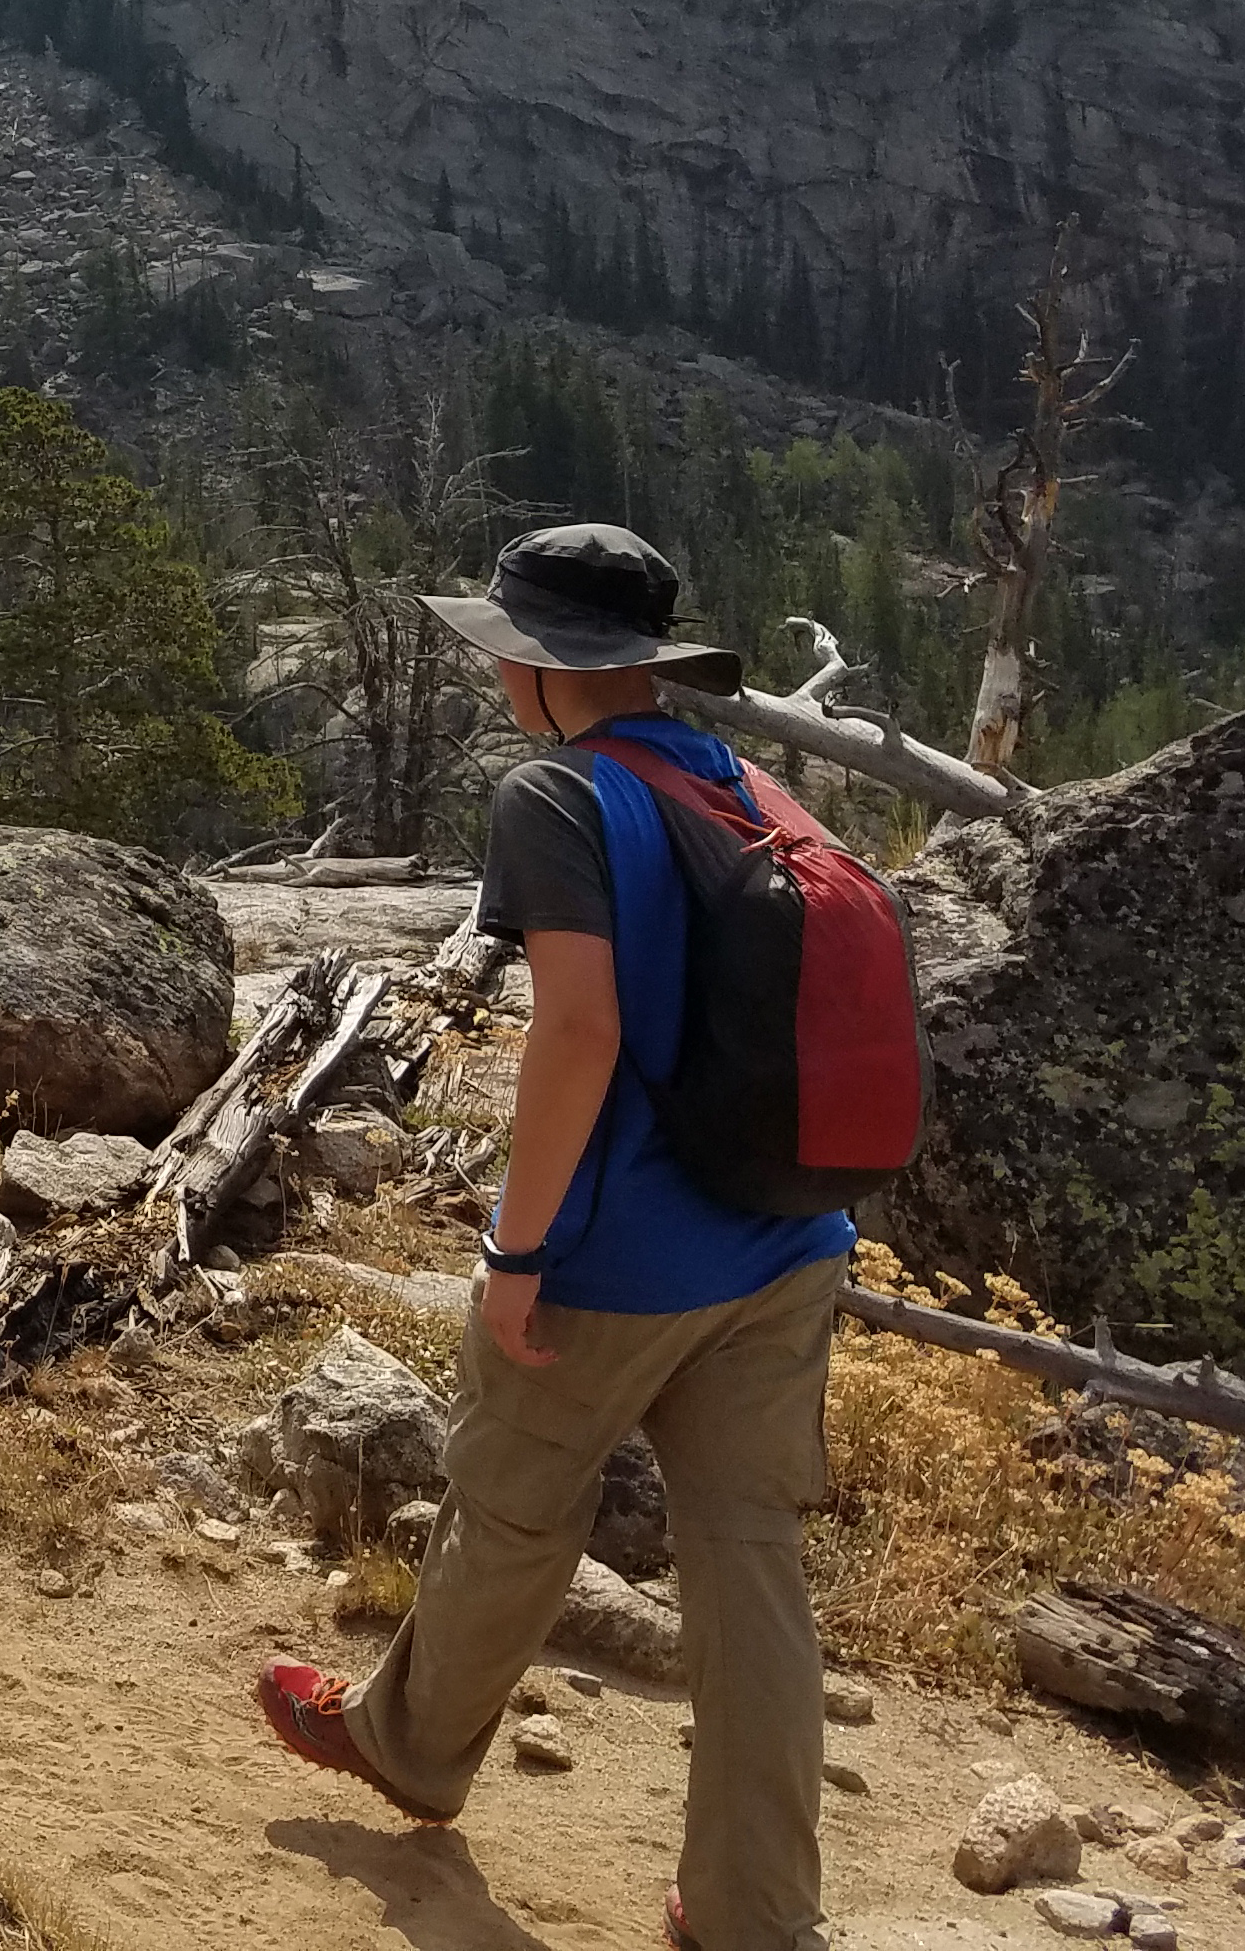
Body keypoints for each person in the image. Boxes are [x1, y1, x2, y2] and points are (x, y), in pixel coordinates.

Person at [253, 523, 855, 1951]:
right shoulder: (747, 784)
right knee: (750, 1565)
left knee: (514, 1504)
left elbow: (581, 1030)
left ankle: (406, 1748)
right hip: (786, 1240)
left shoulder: (558, 795)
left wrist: (516, 1253)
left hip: (621, 1249)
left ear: (537, 664)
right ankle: (755, 1915)